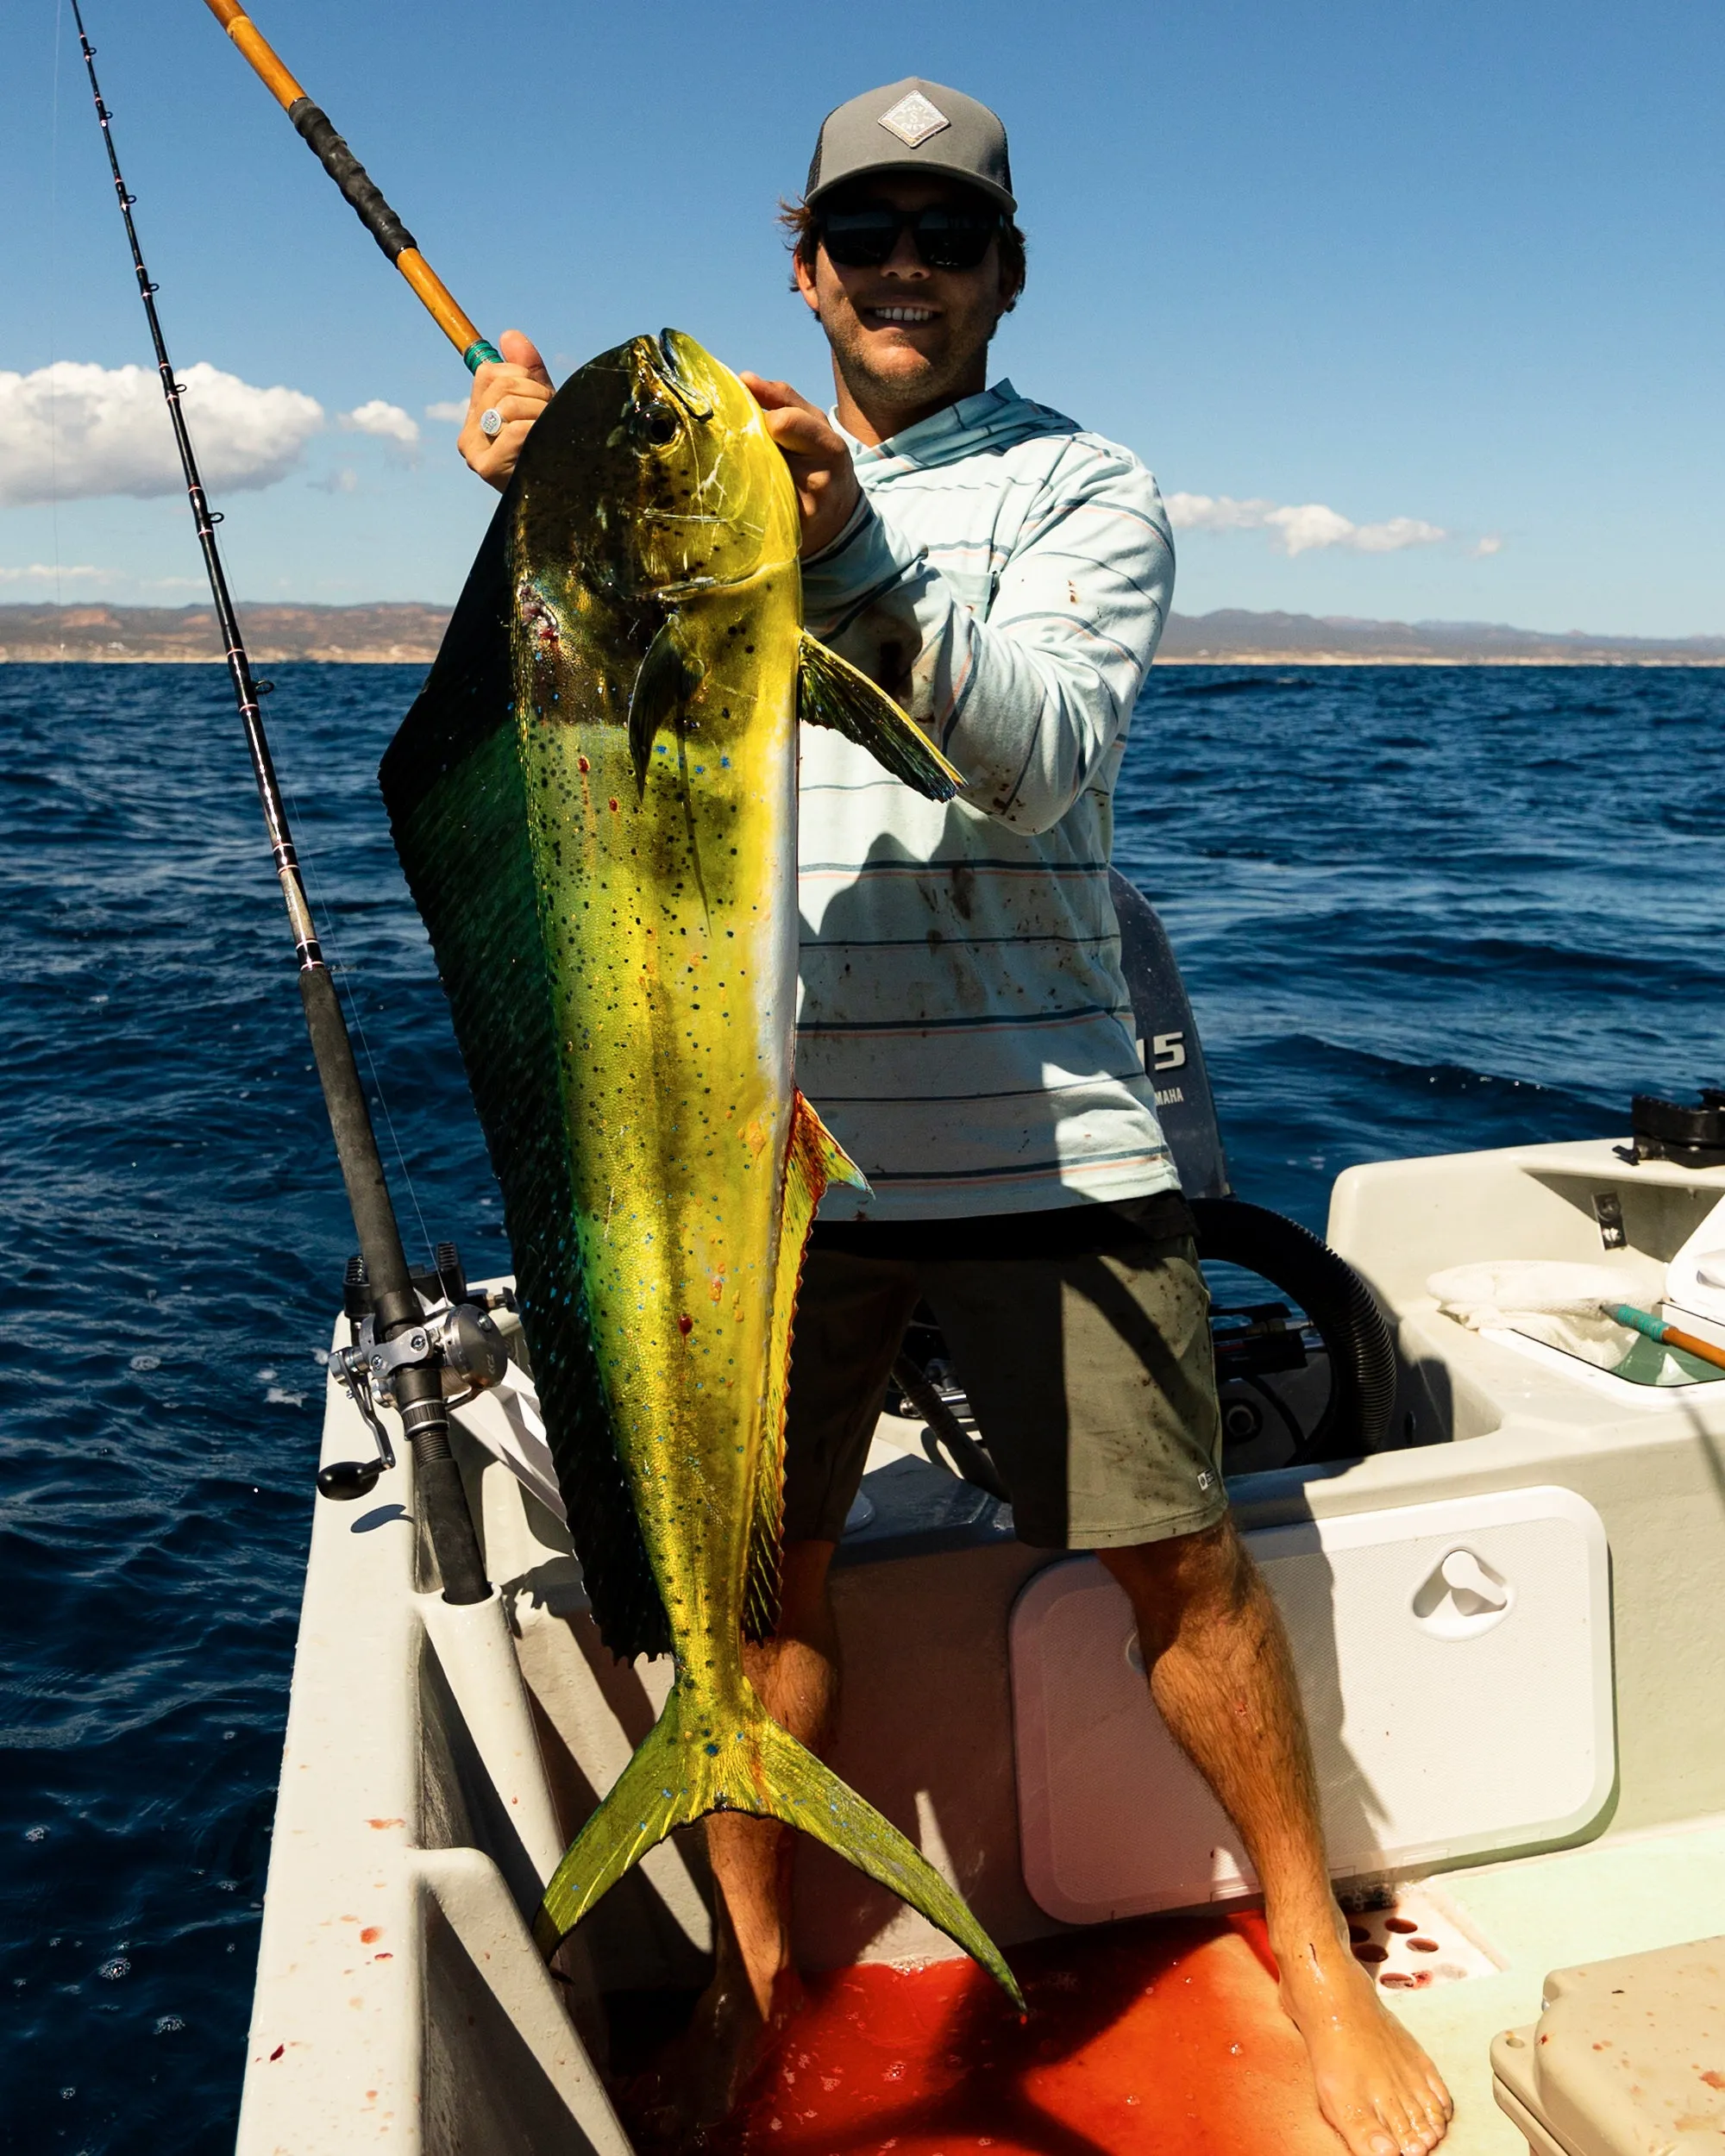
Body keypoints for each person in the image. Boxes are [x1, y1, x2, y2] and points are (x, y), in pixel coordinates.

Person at [457, 78, 1453, 2156]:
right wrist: (548, 510)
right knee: (756, 1593)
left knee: (1179, 1566)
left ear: (1005, 272)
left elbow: (1031, 749)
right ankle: (752, 1976)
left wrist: (832, 540)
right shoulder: (727, 479)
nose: (904, 265)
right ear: (801, 261)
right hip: (751, 1164)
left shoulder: (1083, 488)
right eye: (866, 231)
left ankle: (1310, 1946)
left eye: (948, 235)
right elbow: (583, 730)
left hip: (1047, 1131)